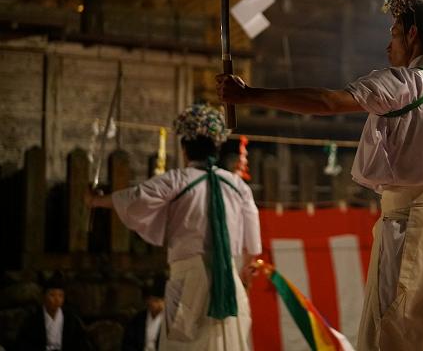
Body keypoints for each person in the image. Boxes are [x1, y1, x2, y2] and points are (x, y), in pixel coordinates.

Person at [217, 0, 423, 351]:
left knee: (400, 330)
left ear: (412, 35)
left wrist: (249, 95)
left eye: (394, 33)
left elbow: (328, 102)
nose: (388, 45)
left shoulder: (403, 84)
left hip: (412, 226)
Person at [86, 104, 262, 351]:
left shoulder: (178, 180)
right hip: (228, 276)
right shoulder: (237, 186)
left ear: (185, 149)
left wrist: (95, 200)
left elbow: (137, 198)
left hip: (190, 276)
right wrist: (246, 268)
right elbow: (252, 237)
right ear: (216, 148)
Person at [14, 272, 92, 351]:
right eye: (52, 295)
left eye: (60, 295)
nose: (57, 299)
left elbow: (80, 344)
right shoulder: (33, 319)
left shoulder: (71, 319)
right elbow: (23, 344)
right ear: (43, 297)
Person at [122, 275, 167, 351]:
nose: (160, 305)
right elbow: (128, 345)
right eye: (155, 300)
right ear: (147, 300)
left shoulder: (172, 320)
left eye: (162, 300)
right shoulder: (137, 320)